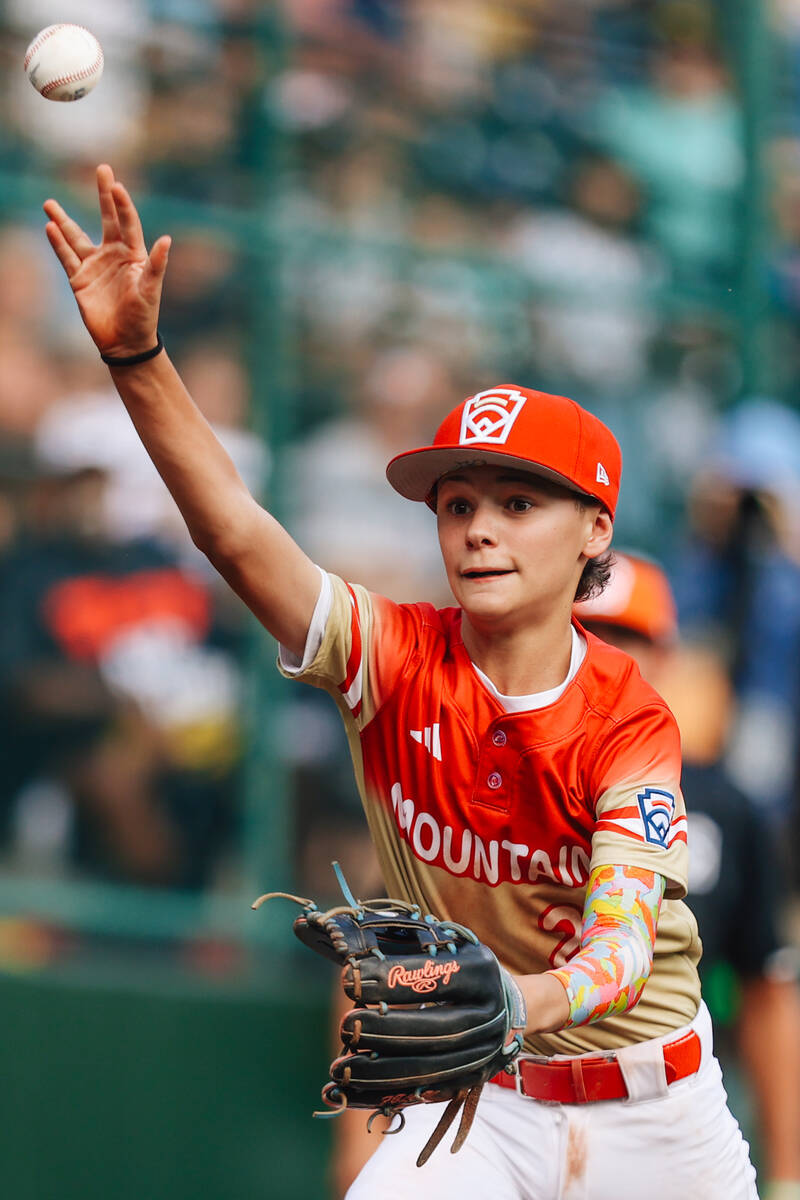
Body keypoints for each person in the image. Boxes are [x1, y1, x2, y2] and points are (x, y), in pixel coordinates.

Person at [43, 164, 757, 1199]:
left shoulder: (627, 720)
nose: (476, 527)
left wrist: (517, 1000)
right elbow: (236, 535)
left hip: (657, 1121)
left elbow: (620, 954)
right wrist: (137, 357)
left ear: (593, 531)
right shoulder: (389, 655)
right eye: (457, 501)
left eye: (518, 504)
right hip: (483, 1102)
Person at [575, 551, 800, 1200]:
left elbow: (768, 989)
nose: (606, 654)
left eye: (629, 638)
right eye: (587, 631)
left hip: (665, 1103)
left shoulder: (727, 806)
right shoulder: (487, 773)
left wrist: (786, 1173)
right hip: (510, 1097)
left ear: (666, 657)